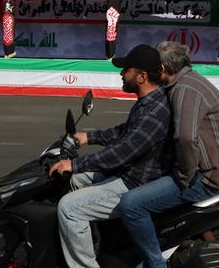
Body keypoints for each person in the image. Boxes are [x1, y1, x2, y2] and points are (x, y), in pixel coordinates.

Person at [48, 44, 173, 268]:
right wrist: (88, 137)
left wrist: (75, 164)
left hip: (136, 183)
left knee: (69, 208)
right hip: (130, 174)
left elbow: (121, 153)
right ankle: (103, 244)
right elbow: (124, 132)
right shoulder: (148, 103)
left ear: (142, 76)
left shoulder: (155, 112)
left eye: (126, 70)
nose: (121, 74)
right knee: (75, 181)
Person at [118, 41, 219, 268]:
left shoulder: (185, 89)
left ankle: (156, 265)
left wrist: (183, 177)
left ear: (162, 69)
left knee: (131, 205)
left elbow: (185, 138)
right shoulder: (186, 82)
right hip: (211, 169)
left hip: (207, 178)